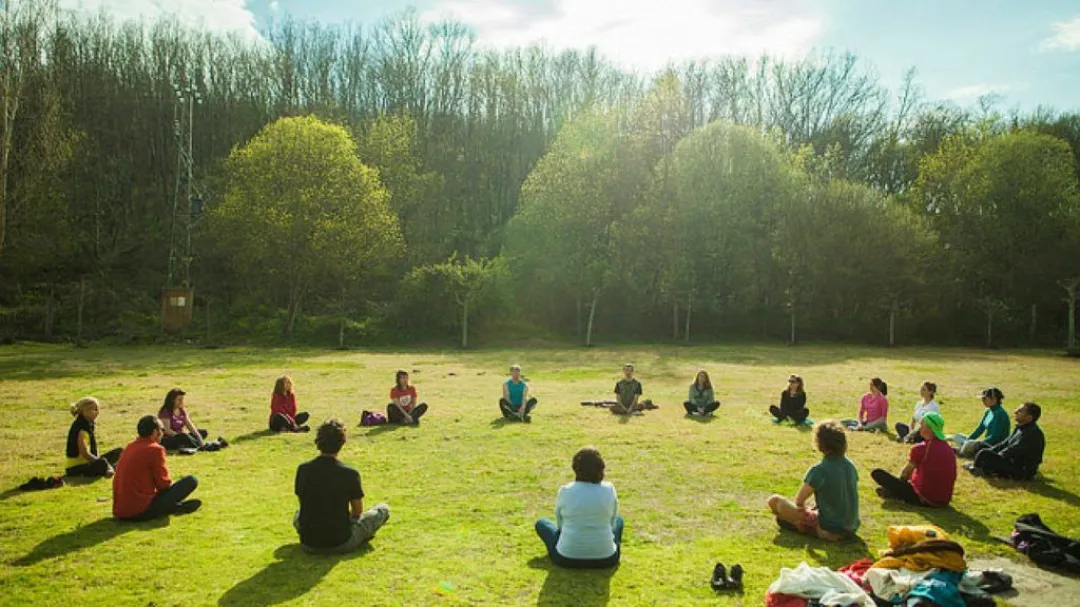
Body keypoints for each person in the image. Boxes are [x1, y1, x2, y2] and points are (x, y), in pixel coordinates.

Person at [294, 418, 390, 553]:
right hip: (340, 542)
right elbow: (357, 512)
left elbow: (304, 504)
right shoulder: (349, 474)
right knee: (382, 510)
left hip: (308, 542)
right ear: (342, 442)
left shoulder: (303, 469)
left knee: (298, 515)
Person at [766, 421, 859, 542]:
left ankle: (803, 527)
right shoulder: (850, 466)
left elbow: (799, 501)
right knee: (796, 513)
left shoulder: (819, 470)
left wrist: (807, 514)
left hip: (830, 528)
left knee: (774, 501)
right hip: (851, 527)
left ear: (819, 443)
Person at [534, 447, 623, 568]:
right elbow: (612, 521)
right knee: (619, 521)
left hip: (566, 558)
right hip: (606, 558)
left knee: (542, 523)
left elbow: (560, 524)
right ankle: (603, 546)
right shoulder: (609, 489)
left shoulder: (566, 490)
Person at [112, 415, 201, 520]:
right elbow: (163, 484)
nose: (163, 433)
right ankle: (173, 507)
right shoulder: (155, 449)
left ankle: (174, 507)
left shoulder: (130, 446)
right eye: (162, 430)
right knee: (191, 480)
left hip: (120, 511)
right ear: (155, 432)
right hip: (140, 511)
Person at [871, 412, 956, 507]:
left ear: (929, 429)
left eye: (922, 425)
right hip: (943, 500)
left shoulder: (921, 449)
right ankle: (895, 493)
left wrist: (898, 485)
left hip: (923, 497)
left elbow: (906, 473)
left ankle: (895, 493)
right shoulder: (949, 449)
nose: (919, 428)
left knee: (877, 473)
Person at [967, 402, 1045, 480]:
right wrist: (992, 452)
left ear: (1029, 418)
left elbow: (1013, 450)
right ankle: (982, 466)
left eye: (1020, 411)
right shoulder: (1020, 428)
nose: (1015, 412)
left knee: (984, 453)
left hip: (1021, 470)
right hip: (1011, 461)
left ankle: (977, 469)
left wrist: (995, 457)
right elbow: (1004, 444)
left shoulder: (1033, 434)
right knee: (982, 446)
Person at [65, 397, 123, 478]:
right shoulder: (81, 428)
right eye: (93, 410)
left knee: (119, 452)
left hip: (87, 462)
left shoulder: (88, 424)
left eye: (97, 409)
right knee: (101, 462)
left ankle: (110, 468)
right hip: (76, 468)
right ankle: (109, 468)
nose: (97, 412)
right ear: (83, 411)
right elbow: (84, 453)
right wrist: (99, 461)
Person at [158, 388, 228, 452]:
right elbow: (167, 430)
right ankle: (204, 447)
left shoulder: (182, 411)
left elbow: (190, 426)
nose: (181, 401)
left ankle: (201, 444)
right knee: (184, 436)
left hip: (181, 436)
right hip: (169, 439)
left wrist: (198, 436)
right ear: (172, 400)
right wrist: (180, 436)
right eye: (179, 400)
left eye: (182, 399)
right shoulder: (166, 412)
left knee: (203, 432)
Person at [949, 387, 1009, 458]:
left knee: (970, 444)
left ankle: (961, 452)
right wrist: (968, 440)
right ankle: (964, 449)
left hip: (993, 447)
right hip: (984, 443)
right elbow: (980, 429)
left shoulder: (1000, 414)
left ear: (994, 399)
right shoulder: (988, 411)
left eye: (984, 399)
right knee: (958, 436)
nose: (982, 400)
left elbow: (994, 437)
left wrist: (978, 444)